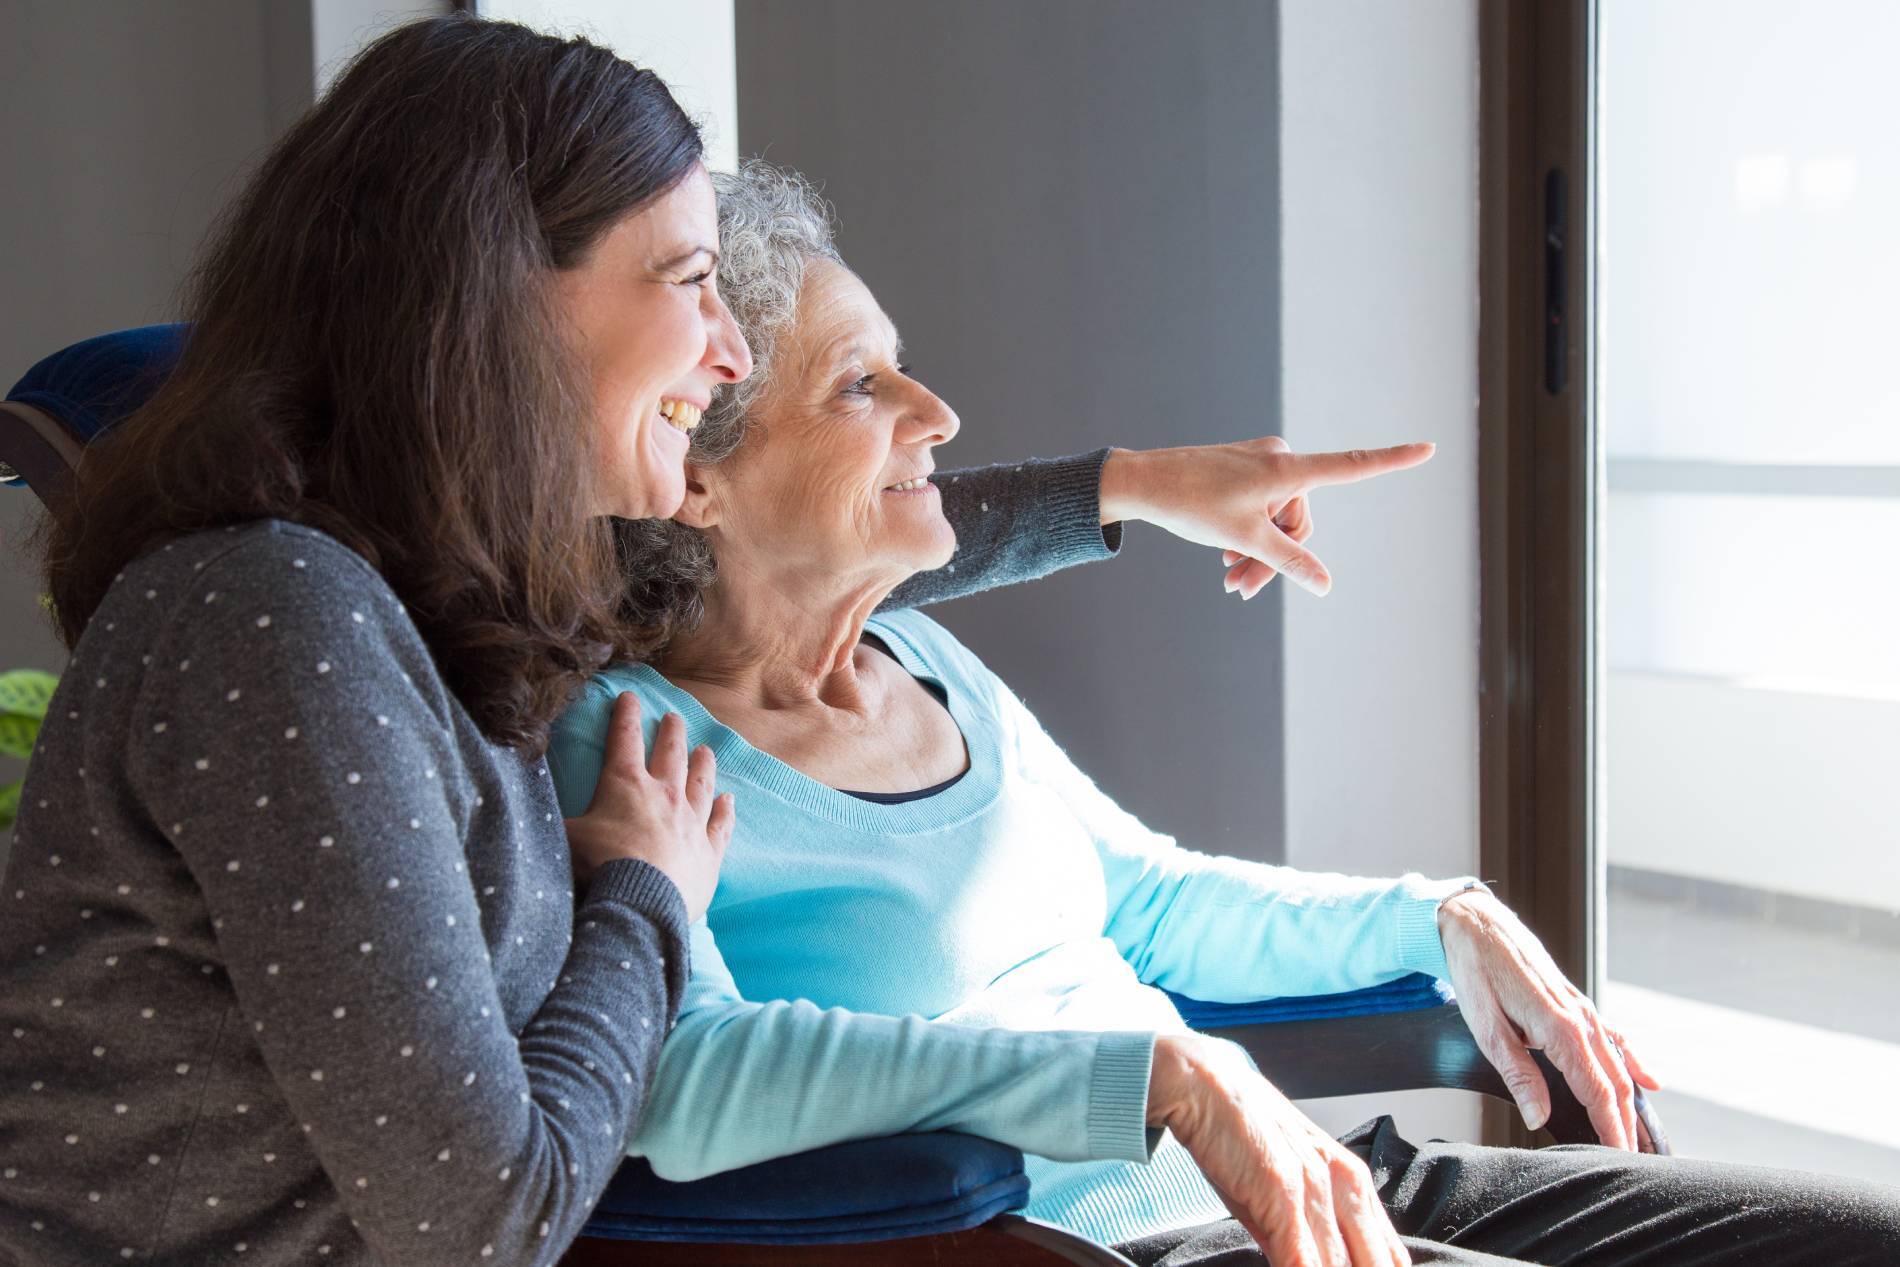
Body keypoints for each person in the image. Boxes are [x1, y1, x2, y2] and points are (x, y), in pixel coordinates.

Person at [0, 17, 1424, 1267]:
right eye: (686, 281)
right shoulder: (280, 620)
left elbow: (790, 543)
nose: (728, 354)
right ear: (499, 300)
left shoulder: (451, 609)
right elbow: (483, 1223)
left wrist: (1131, 490)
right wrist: (645, 900)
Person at [546, 161, 1900, 1267]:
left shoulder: (925, 665)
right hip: (1142, 1242)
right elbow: (692, 1077)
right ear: (698, 477)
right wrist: (1154, 1076)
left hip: (1318, 1178)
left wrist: (1439, 912)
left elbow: (1153, 906)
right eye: (860, 387)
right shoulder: (628, 746)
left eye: (905, 369)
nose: (938, 413)